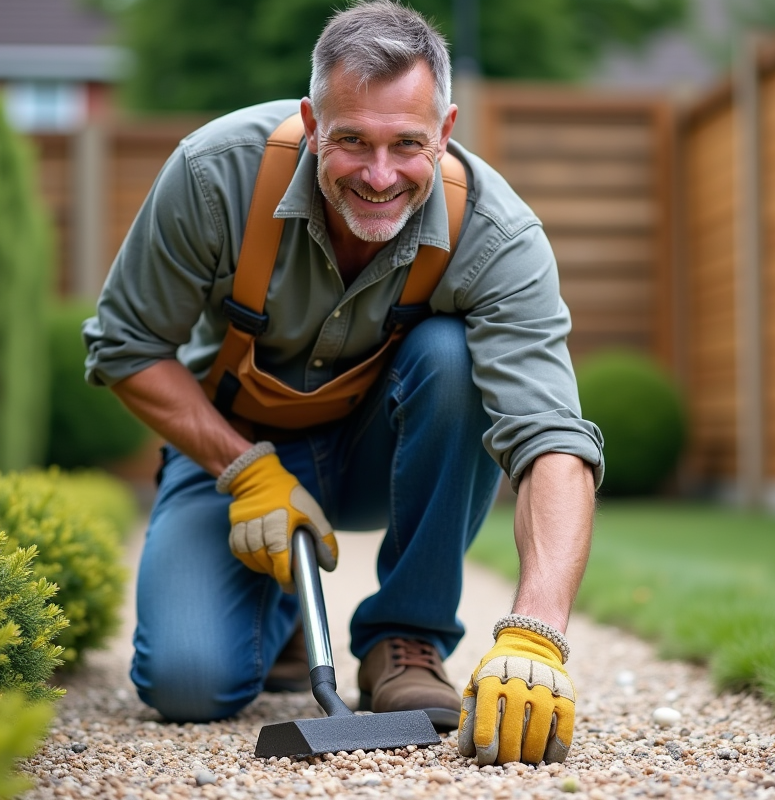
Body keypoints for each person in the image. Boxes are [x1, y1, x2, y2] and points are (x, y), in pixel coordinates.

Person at [83, 0, 603, 766]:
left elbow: (552, 440)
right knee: (186, 685)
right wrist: (245, 469)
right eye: (352, 140)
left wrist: (536, 632)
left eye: (407, 144)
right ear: (312, 121)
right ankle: (282, 610)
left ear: (447, 131)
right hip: (239, 458)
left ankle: (406, 641)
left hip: (380, 457)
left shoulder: (499, 237)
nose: (380, 174)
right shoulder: (213, 175)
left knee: (453, 357)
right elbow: (125, 346)